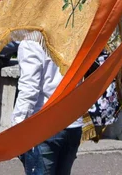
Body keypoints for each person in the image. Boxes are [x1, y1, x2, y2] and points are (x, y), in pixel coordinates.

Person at [12, 40, 82, 175]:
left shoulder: (32, 41)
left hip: (43, 126)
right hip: (72, 122)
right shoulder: (74, 37)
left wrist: (17, 128)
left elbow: (29, 89)